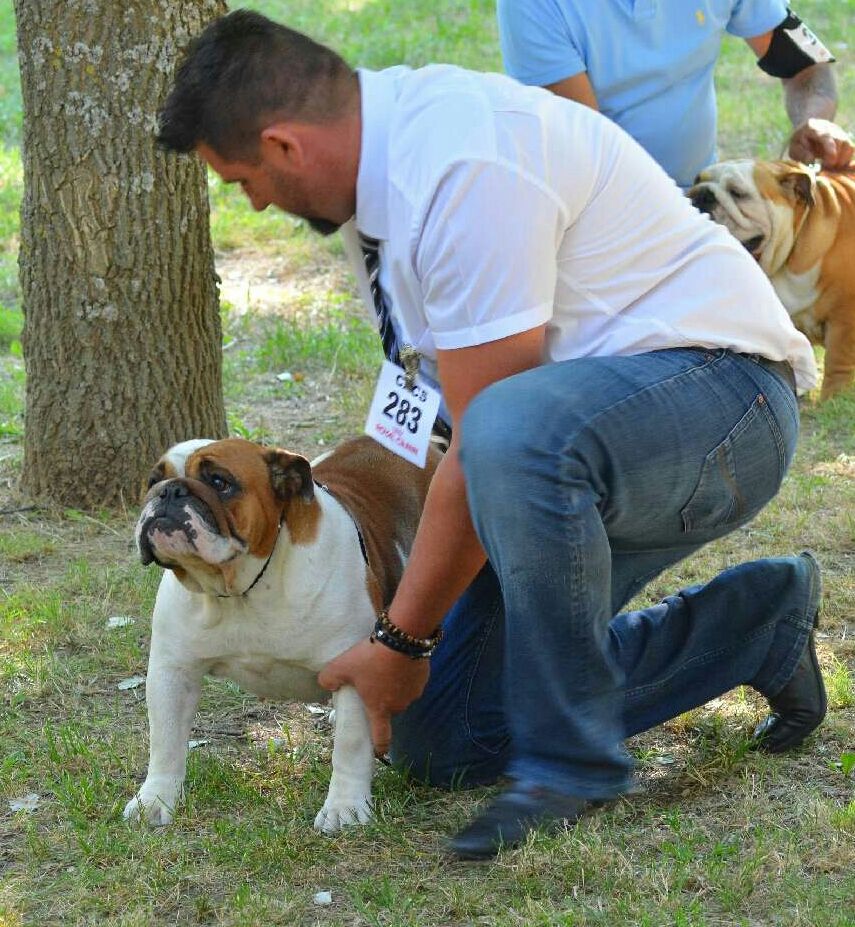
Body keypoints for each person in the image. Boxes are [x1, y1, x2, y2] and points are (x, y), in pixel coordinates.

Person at [157, 11, 827, 859]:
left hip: (722, 404)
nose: (254, 201)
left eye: (242, 178)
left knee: (509, 429)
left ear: (285, 146)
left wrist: (399, 638)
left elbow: (489, 439)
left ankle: (570, 758)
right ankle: (751, 621)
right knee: (440, 734)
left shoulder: (462, 166)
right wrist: (397, 634)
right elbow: (434, 414)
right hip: (581, 449)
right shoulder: (383, 185)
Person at [497, 0, 853, 189]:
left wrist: (814, 123)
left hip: (700, 198)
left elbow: (807, 67)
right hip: (595, 212)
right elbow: (588, 157)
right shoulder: (533, 5)